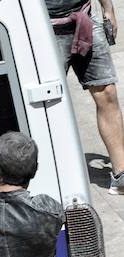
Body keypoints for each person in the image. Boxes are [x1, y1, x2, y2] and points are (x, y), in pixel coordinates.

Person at [46, 0, 124, 193]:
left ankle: (121, 173)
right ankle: (44, 175)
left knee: (107, 93)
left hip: (85, 19)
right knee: (46, 103)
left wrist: (108, 9)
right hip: (44, 29)